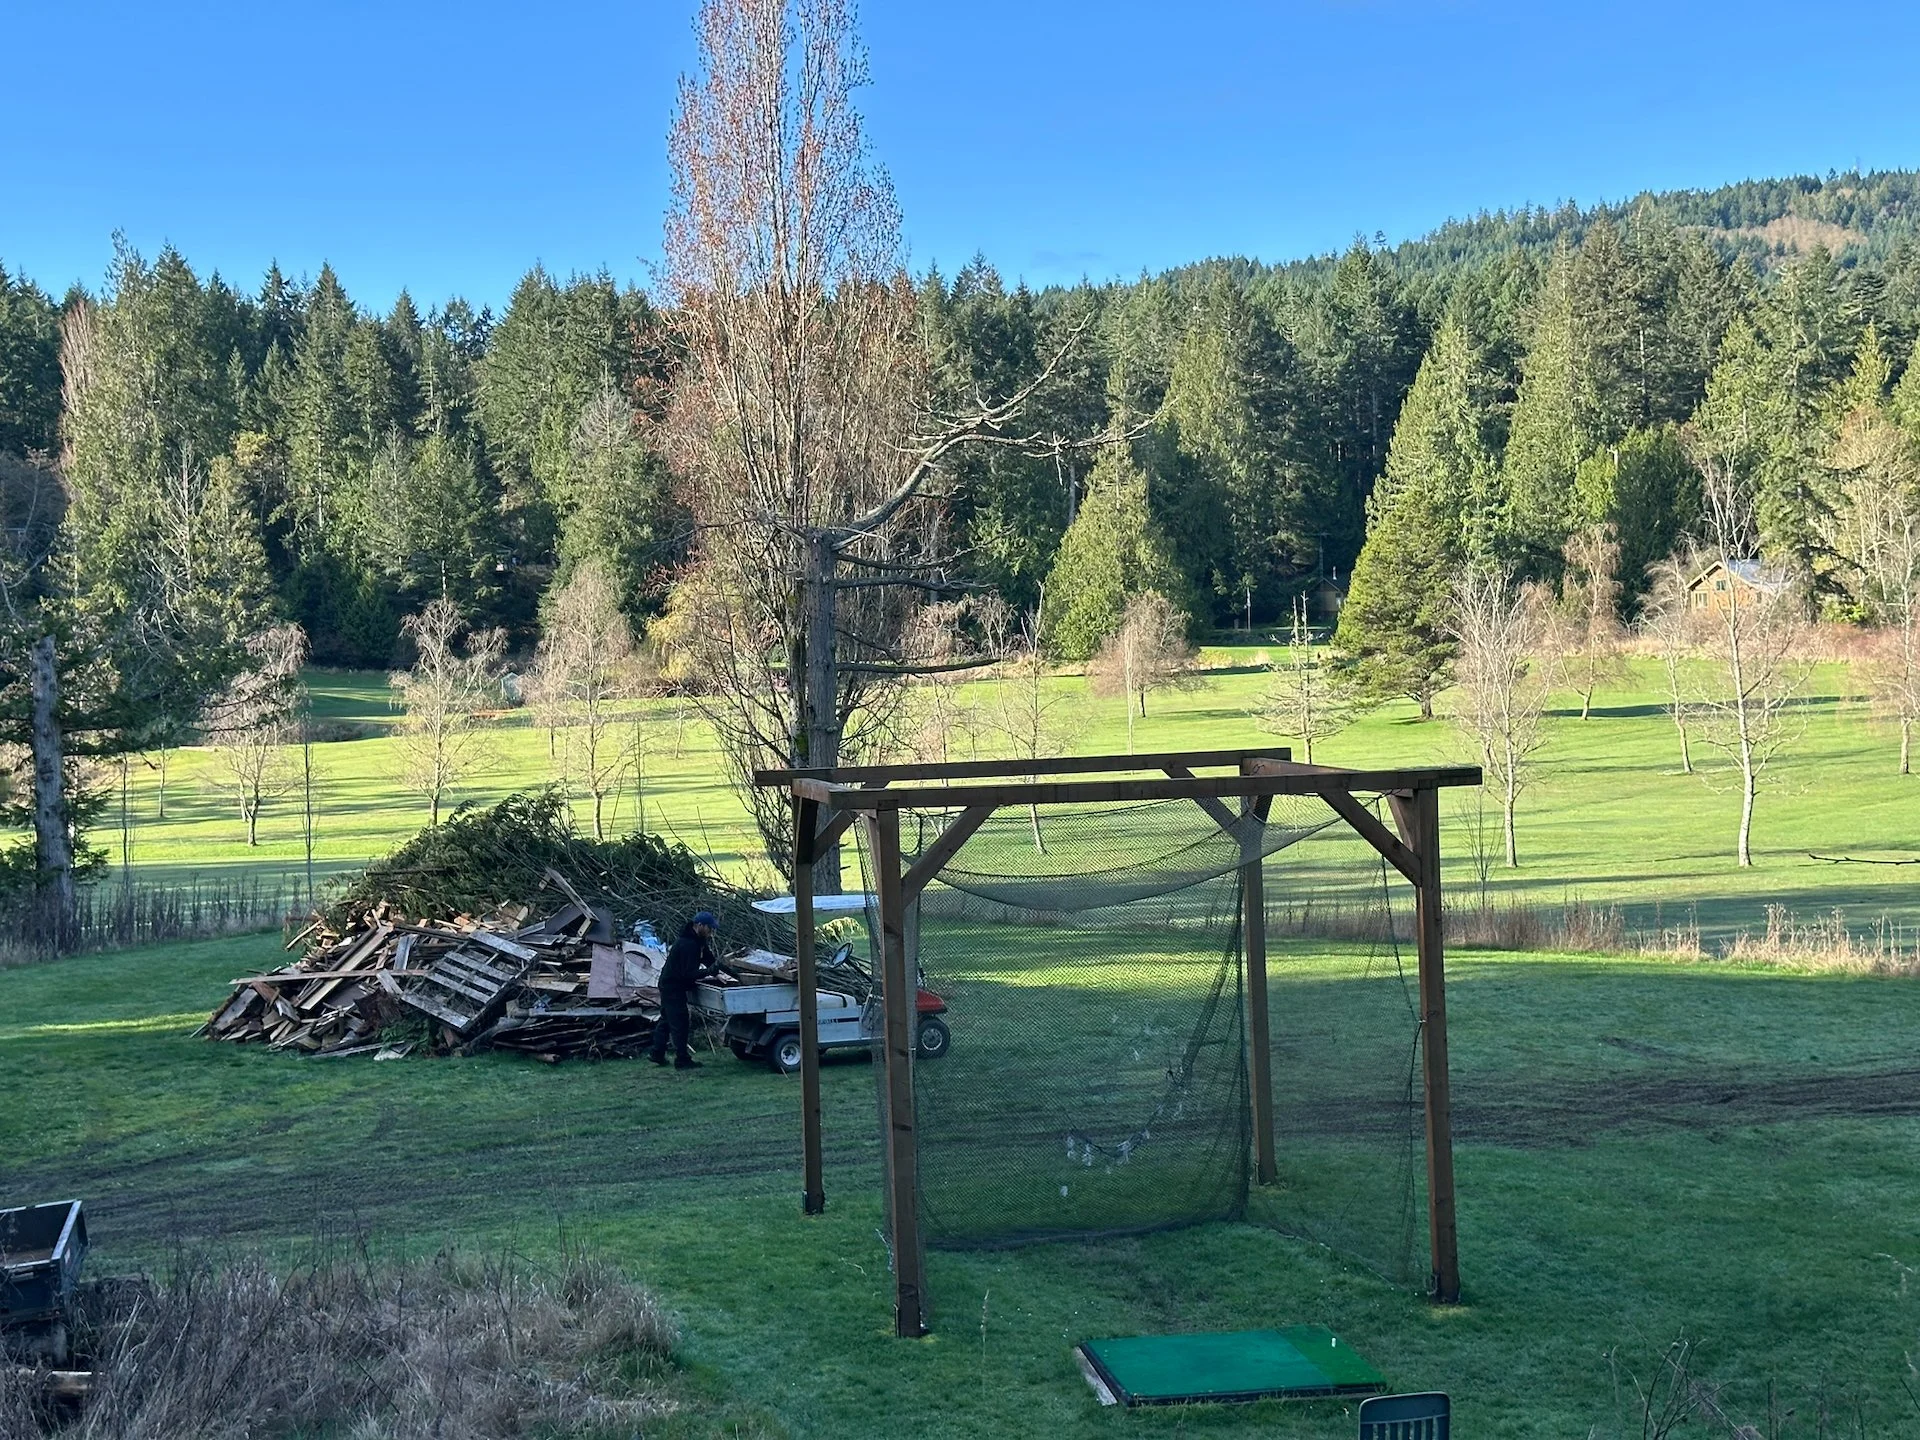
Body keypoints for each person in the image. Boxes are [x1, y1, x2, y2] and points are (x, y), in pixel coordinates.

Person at [650, 910, 719, 1069]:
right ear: (700, 925)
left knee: (666, 1020)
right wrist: (708, 972)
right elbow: (688, 974)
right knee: (680, 1023)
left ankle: (656, 1053)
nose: (711, 932)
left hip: (669, 983)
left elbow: (708, 958)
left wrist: (718, 968)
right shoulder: (688, 945)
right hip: (673, 986)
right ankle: (682, 1060)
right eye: (709, 928)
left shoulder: (697, 940)